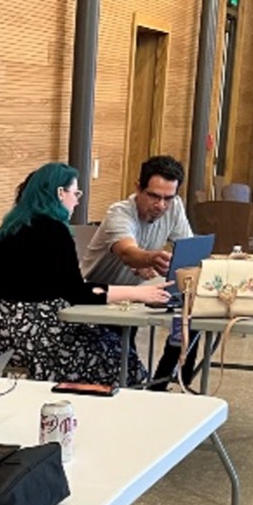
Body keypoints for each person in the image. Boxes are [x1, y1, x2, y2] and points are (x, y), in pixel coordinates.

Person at [0, 162, 170, 387]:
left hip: (2, 335)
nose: (77, 199)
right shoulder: (54, 231)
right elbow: (77, 293)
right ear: (60, 193)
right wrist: (140, 293)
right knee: (120, 357)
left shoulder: (11, 226)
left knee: (109, 341)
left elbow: (55, 285)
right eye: (75, 192)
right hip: (34, 338)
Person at [79, 155, 197, 387]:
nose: (161, 205)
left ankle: (163, 382)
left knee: (189, 318)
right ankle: (145, 387)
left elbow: (187, 250)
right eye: (154, 196)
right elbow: (127, 252)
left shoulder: (175, 209)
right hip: (100, 296)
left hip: (138, 294)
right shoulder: (120, 213)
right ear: (138, 189)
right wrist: (149, 259)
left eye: (168, 198)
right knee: (124, 367)